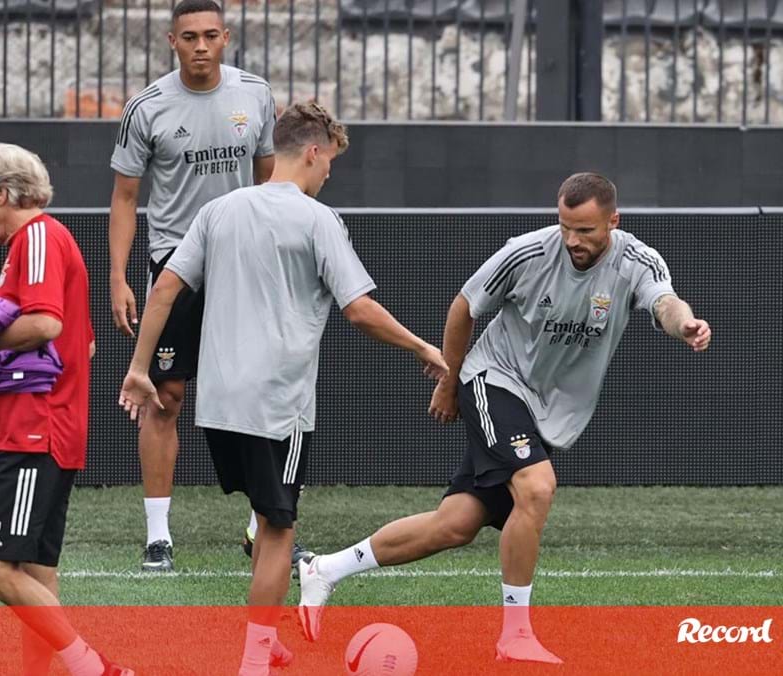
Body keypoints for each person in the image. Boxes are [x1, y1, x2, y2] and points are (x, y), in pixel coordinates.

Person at [297, 172, 713, 664]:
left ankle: (324, 569)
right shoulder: (527, 253)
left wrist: (684, 324)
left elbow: (665, 301)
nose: (574, 241)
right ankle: (515, 636)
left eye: (586, 230)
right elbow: (464, 307)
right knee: (537, 487)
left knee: (455, 525)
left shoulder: (637, 261)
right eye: (566, 227)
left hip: (549, 408)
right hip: (495, 379)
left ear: (613, 221)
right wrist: (449, 382)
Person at [119, 102, 447, 676]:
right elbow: (359, 309)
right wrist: (424, 348)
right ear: (313, 152)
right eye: (329, 165)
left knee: (264, 518)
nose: (327, 176)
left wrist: (139, 367)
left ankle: (263, 637)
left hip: (217, 404)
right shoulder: (318, 219)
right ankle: (253, 661)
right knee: (278, 530)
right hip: (278, 405)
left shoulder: (218, 210)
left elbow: (166, 287)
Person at [109, 0, 283, 572]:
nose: (201, 46)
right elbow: (126, 198)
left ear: (226, 38)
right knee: (166, 398)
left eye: (211, 35)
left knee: (257, 395)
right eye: (190, 37)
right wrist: (119, 275)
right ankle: (158, 536)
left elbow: (269, 183)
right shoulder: (148, 107)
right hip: (176, 268)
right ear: (172, 41)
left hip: (245, 267)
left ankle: (263, 527)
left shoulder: (255, 95)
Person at [0, 143, 130, 676]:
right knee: (35, 570)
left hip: (32, 431)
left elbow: (47, 323)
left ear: (3, 194)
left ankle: (90, 666)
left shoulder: (35, 237)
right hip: (49, 429)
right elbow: (84, 342)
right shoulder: (46, 240)